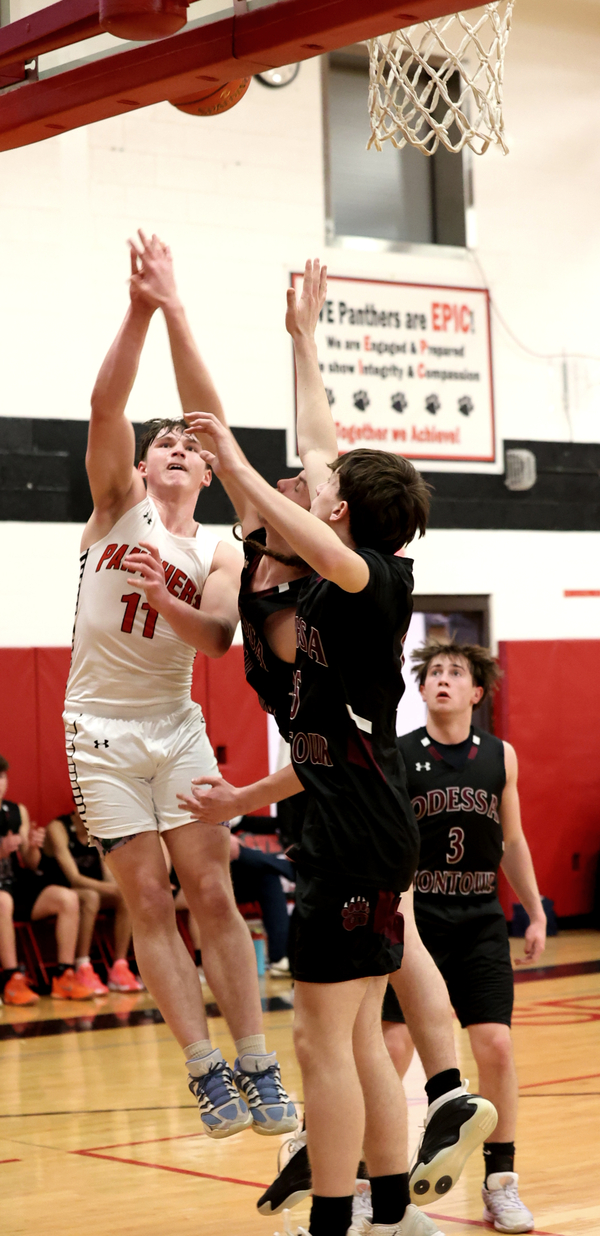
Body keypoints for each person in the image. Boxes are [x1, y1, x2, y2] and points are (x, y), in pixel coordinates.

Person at [178, 264, 496, 1221]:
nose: (306, 480)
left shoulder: (367, 581)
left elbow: (282, 480)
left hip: (358, 832)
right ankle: (391, 1209)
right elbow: (315, 445)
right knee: (355, 1037)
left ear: (339, 513)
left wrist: (235, 465)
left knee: (325, 1042)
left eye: (319, 488)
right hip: (347, 814)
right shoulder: (296, 563)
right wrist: (302, 338)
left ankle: (347, 1201)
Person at [63, 230, 296, 1140]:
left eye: (183, 446)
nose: (168, 447)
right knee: (150, 900)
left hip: (175, 722)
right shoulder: (114, 507)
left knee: (212, 888)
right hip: (100, 730)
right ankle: (205, 1069)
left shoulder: (219, 553)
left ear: (205, 470)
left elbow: (219, 639)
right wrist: (141, 310)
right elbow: (105, 404)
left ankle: (256, 1060)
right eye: (159, 442)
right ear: (142, 465)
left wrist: (168, 600)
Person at [387, 641, 546, 1234]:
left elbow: (513, 840)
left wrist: (534, 911)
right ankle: (370, 1181)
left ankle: (500, 1182)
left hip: (479, 918)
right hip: (416, 920)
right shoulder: (400, 753)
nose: (444, 680)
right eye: (434, 672)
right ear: (422, 689)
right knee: (391, 1049)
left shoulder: (501, 756)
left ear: (476, 692)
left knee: (496, 1047)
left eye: (456, 673)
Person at [0, 756, 92, 1003]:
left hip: (15, 883)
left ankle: (64, 975)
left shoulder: (16, 811)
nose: (0, 782)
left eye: (2, 777)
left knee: (67, 898)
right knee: (3, 901)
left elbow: (31, 863)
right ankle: (11, 979)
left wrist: (33, 846)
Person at [44, 805, 143, 994]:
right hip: (60, 889)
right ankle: (82, 965)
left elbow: (108, 874)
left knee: (124, 896)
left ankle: (119, 966)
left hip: (92, 890)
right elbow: (74, 878)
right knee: (91, 897)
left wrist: (120, 887)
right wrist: (114, 888)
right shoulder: (58, 828)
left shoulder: (99, 830)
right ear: (77, 808)